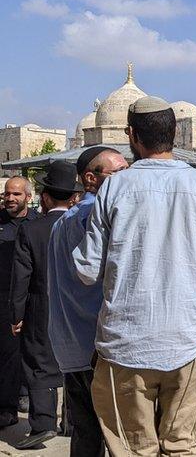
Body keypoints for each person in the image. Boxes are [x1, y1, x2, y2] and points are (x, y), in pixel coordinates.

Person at [73, 96, 196, 455]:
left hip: (124, 342)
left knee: (133, 449)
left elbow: (87, 269)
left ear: (132, 135)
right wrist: (192, 287)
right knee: (183, 445)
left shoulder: (114, 188)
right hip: (187, 338)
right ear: (176, 133)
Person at [49, 146, 128, 457]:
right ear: (91, 178)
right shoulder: (97, 218)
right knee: (119, 435)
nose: (127, 178)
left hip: (72, 346)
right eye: (119, 172)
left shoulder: (61, 223)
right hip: (100, 348)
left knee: (85, 433)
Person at [9, 161, 82, 449]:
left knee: (39, 362)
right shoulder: (83, 224)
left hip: (41, 305)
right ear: (73, 197)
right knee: (77, 365)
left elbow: (21, 277)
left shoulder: (32, 230)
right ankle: (74, 422)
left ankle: (43, 423)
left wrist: (16, 314)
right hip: (77, 306)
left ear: (46, 197)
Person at [0, 176, 37, 430]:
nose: (10, 199)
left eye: (16, 194)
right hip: (3, 298)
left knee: (31, 353)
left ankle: (28, 396)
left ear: (28, 197)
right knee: (7, 354)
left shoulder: (37, 224)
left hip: (32, 298)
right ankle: (7, 408)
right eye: (7, 194)